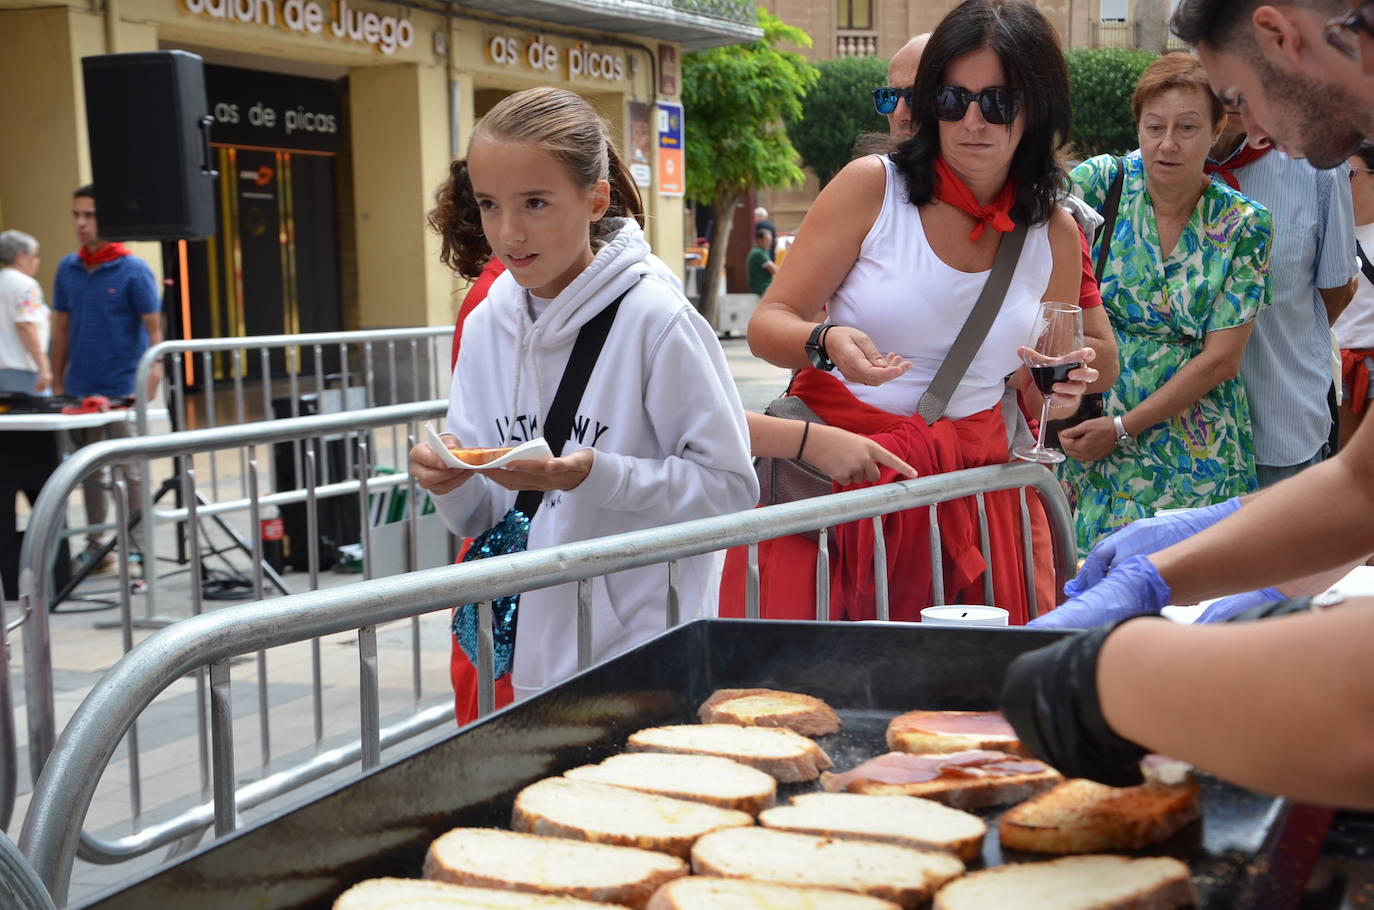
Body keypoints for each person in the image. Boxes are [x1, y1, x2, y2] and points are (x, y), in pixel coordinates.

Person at [998, 0, 1374, 803]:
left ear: (1281, 35)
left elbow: (1356, 722)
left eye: (1233, 98)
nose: (1251, 131)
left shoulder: (1249, 215)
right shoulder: (1109, 188)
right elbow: (1363, 487)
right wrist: (1171, 568)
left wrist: (1113, 674)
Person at [741, 0, 1107, 626]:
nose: (972, 121)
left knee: (967, 706)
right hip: (842, 488)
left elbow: (1038, 371)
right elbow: (768, 322)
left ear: (1037, 108)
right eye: (952, 99)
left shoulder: (1057, 231)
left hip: (978, 497)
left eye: (998, 102)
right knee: (822, 698)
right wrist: (823, 341)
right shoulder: (871, 187)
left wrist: (1065, 389)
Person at [409, 87, 758, 713]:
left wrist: (600, 476)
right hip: (528, 667)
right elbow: (484, 518)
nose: (509, 231)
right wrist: (451, 480)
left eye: (536, 203)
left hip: (648, 659)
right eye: (489, 205)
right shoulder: (490, 322)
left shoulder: (656, 319)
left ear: (595, 198)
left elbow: (731, 490)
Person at [1056, 54, 1273, 556]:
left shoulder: (1245, 223)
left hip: (1196, 444)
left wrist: (1123, 428)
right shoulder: (1099, 185)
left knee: (1191, 587)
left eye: (1187, 127)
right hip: (1090, 427)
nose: (1167, 143)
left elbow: (1222, 358)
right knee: (1086, 584)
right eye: (1154, 126)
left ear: (1219, 127)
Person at [1206, 107, 1356, 487]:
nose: (1234, 97)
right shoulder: (1160, 161)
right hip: (1177, 435)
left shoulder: (1318, 165)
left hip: (1278, 422)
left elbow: (1337, 289)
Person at [52, 186, 163, 574]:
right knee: (87, 470)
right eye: (76, 215)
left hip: (121, 389)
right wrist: (55, 378)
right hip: (81, 388)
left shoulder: (133, 268)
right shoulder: (68, 268)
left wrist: (154, 370)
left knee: (129, 471)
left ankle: (136, 546)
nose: (81, 223)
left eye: (90, 215)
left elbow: (153, 328)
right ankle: (97, 548)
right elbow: (62, 328)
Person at [1335, 143, 1374, 447]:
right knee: (1340, 458)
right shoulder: (1327, 232)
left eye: (1349, 173)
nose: (1338, 180)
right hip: (1336, 366)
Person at [0, 230, 51, 395]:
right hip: (22, 369)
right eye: (35, 255)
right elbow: (26, 325)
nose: (37, 261)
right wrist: (44, 368)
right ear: (21, 256)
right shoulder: (26, 285)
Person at [746, 226, 777, 296]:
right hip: (762, 288)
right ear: (759, 240)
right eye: (767, 240)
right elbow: (774, 270)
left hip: (766, 287)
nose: (770, 243)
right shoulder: (758, 253)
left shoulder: (762, 251)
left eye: (771, 241)